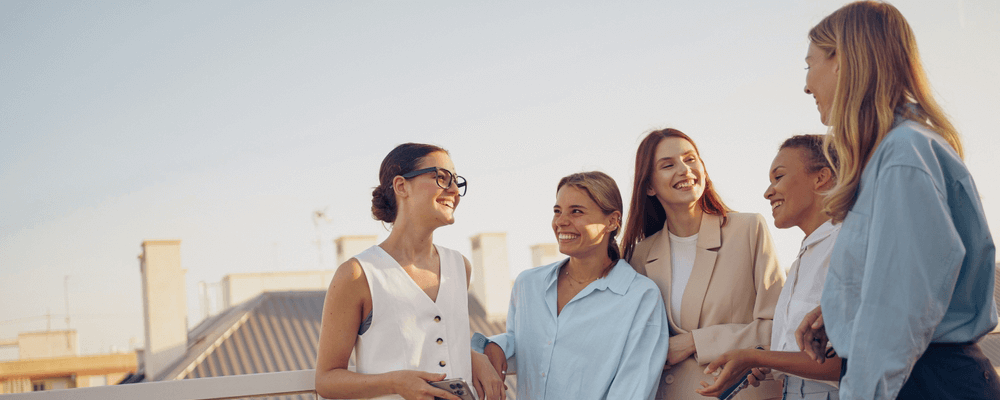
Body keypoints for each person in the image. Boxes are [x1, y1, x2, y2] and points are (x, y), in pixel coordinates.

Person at [791, 2, 1000, 399]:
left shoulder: (902, 156)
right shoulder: (898, 153)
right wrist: (843, 308)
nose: (806, 85)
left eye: (809, 65)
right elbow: (914, 283)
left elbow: (898, 316)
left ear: (842, 62)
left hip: (925, 383)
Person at [314, 143, 505, 400]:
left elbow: (441, 339)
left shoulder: (460, 267)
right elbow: (326, 380)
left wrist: (474, 357)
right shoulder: (358, 274)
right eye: (441, 177)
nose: (453, 190)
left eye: (456, 181)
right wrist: (394, 383)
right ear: (401, 186)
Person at [621, 128, 786, 400]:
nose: (685, 170)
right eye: (668, 165)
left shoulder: (748, 229)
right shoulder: (640, 256)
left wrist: (693, 342)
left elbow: (778, 325)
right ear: (649, 186)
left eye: (690, 159)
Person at [474, 171, 669, 400]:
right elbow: (528, 347)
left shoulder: (640, 297)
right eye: (557, 211)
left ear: (612, 221)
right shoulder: (528, 285)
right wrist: (496, 346)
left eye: (576, 211)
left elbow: (632, 391)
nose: (561, 221)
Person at [696, 135, 842, 399]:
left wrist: (756, 356)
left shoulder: (845, 247)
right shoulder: (805, 256)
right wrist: (765, 357)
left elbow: (845, 363)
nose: (767, 191)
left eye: (779, 177)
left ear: (821, 178)